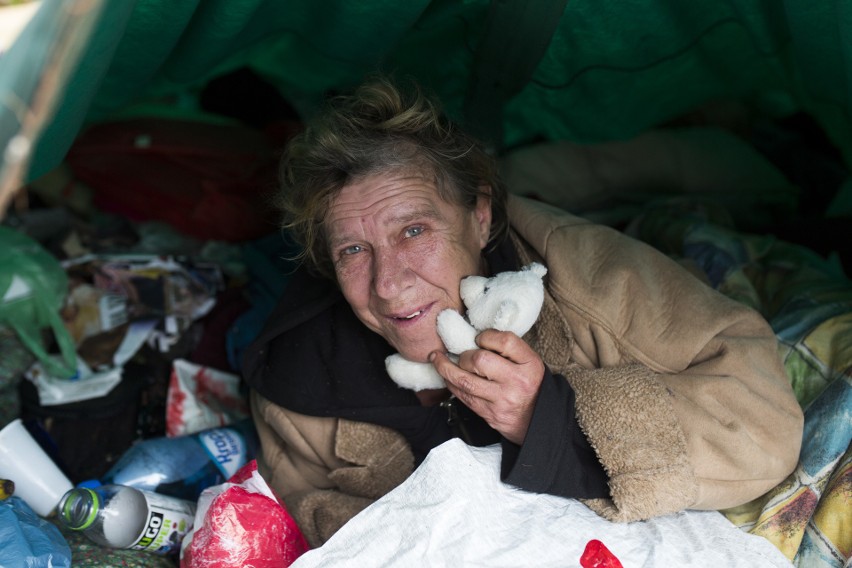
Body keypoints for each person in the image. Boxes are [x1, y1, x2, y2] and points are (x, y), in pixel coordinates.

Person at [243, 76, 803, 547]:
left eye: (413, 231)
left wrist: (550, 418)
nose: (388, 286)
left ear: (480, 218)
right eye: (353, 250)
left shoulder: (587, 275)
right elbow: (312, 532)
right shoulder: (296, 385)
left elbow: (763, 425)